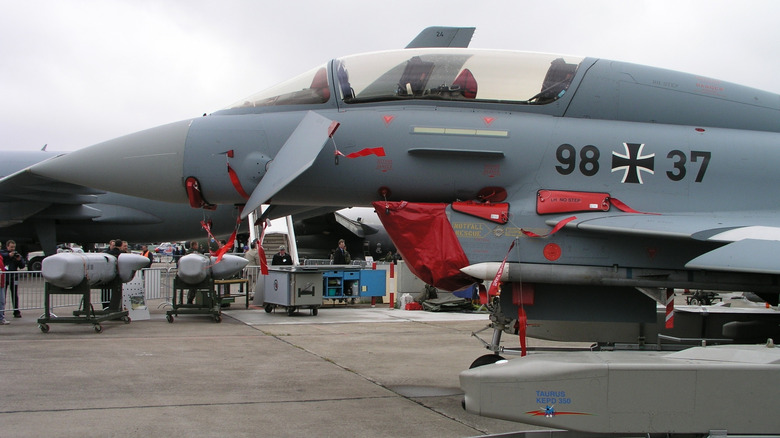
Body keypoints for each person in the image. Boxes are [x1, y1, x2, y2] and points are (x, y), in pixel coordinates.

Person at [1, 240, 26, 318]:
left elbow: (22, 266)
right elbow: (2, 255)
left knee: (15, 294)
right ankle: (2, 311)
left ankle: (16, 311)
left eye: (14, 247)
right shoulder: (3, 253)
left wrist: (19, 260)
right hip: (5, 277)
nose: (12, 248)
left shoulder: (16, 254)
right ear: (7, 246)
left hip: (13, 277)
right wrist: (9, 255)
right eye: (11, 247)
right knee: (2, 295)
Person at [0, 254, 8, 325]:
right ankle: (1, 318)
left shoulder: (1, 257)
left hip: (1, 282)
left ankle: (1, 317)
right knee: (1, 301)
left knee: (2, 301)